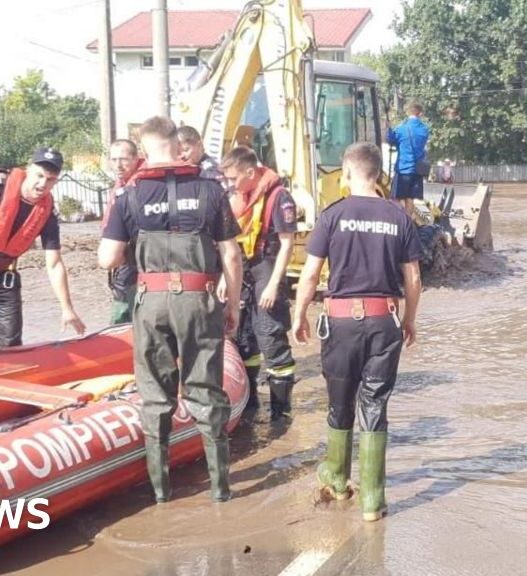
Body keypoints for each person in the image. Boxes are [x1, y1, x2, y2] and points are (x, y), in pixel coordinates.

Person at [98, 116, 243, 504]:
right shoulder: (211, 190)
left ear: (144, 149)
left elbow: (107, 257)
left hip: (152, 301)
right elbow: (231, 252)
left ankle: (162, 494)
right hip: (200, 298)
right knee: (206, 390)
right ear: (178, 145)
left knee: (155, 396)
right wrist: (233, 305)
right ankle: (220, 491)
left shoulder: (129, 195)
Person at [292, 142, 422, 521]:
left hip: (342, 321)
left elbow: (312, 273)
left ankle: (335, 479)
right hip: (386, 321)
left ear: (347, 174)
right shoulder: (399, 217)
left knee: (340, 400)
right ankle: (372, 501)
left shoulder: (332, 215)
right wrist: (410, 319)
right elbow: (413, 278)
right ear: (379, 175)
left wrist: (299, 314)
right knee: (375, 404)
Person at [219, 146, 296, 420]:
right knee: (243, 338)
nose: (230, 184)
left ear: (250, 172)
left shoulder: (279, 197)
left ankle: (281, 413)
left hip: (267, 268)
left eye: (233, 178)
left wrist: (275, 284)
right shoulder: (240, 198)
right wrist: (223, 279)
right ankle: (250, 406)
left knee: (270, 336)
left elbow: (288, 244)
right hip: (245, 271)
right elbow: (230, 244)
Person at [0, 148, 86, 347]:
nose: (42, 184)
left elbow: (54, 264)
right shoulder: (3, 187)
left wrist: (67, 308)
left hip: (5, 278)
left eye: (50, 179)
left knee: (11, 343)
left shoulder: (46, 214)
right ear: (28, 169)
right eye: (39, 175)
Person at [102, 139, 142, 324]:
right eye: (114, 159)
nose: (118, 164)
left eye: (124, 159)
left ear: (136, 158)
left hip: (134, 258)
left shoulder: (141, 185)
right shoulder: (122, 183)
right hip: (122, 257)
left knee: (125, 309)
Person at [386, 101, 430, 215]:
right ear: (420, 114)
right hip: (417, 170)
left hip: (403, 169)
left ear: (407, 112)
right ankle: (408, 223)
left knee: (396, 198)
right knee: (410, 199)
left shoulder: (401, 128)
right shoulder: (424, 129)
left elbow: (391, 140)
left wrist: (389, 128)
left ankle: (399, 222)